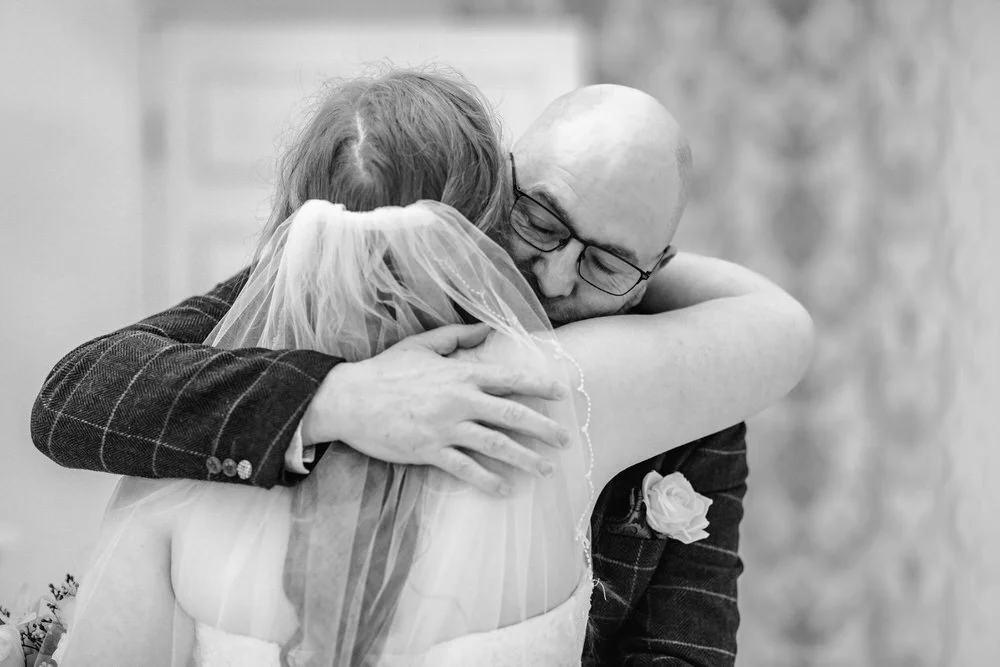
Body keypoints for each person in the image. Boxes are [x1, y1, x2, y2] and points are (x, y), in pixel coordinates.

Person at [34, 69, 812, 665]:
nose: (557, 278)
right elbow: (77, 393)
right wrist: (333, 397)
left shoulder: (680, 389)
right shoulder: (336, 282)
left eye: (607, 262)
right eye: (540, 220)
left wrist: (630, 274)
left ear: (655, 269)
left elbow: (681, 648)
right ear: (492, 189)